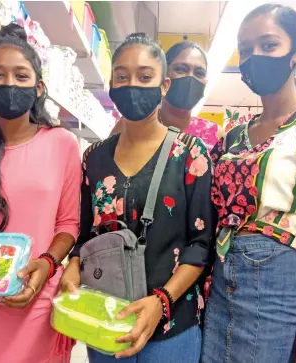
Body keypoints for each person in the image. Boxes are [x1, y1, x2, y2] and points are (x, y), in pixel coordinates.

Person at [202, 4, 296, 363]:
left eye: (268, 45)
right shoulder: (232, 138)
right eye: (246, 48)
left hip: (273, 303)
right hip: (219, 293)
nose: (255, 57)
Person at [59, 33, 213, 363]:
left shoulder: (190, 155)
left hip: (171, 330)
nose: (133, 85)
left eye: (145, 77)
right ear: (112, 84)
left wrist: (162, 301)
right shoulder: (94, 158)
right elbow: (85, 235)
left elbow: (200, 245)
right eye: (122, 76)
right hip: (105, 321)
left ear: (164, 85)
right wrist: (73, 265)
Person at [0, 23, 81, 363]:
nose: (9, 84)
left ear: (39, 88)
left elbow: (67, 224)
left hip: (34, 301)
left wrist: (47, 266)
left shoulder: (62, 143)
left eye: (21, 77)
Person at [110, 40, 221, 150]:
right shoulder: (131, 125)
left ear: (205, 83)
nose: (190, 78)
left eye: (199, 73)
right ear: (163, 77)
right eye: (181, 69)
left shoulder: (216, 137)